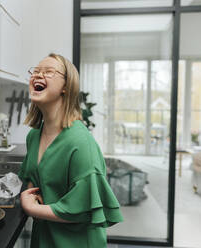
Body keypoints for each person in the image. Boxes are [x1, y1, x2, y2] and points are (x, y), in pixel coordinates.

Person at [18, 53, 123, 248]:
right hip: (44, 239)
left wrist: (31, 208)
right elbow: (34, 187)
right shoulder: (34, 137)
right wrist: (32, 199)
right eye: (36, 71)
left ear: (66, 86)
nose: (38, 75)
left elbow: (83, 209)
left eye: (49, 72)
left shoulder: (81, 143)